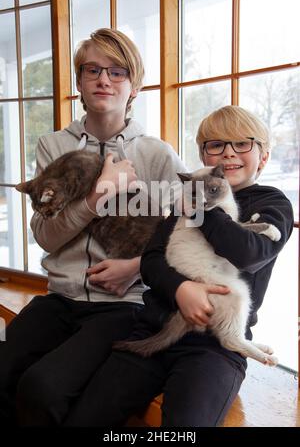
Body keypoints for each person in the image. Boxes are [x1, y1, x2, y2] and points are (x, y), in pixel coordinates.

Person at [62, 105, 294, 427]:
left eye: (242, 144)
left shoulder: (273, 203)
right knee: (87, 416)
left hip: (214, 346)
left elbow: (248, 253)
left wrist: (203, 204)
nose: (228, 154)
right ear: (204, 156)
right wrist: (181, 289)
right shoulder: (186, 197)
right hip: (157, 326)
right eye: (216, 145)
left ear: (264, 156)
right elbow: (153, 260)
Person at [0, 28, 187, 427]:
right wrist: (98, 196)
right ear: (80, 84)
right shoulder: (53, 146)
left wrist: (138, 266)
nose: (104, 79)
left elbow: (189, 232)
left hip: (122, 306)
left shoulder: (157, 154)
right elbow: (46, 235)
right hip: (59, 297)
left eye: (117, 72)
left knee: (42, 388)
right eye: (92, 71)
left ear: (133, 86)